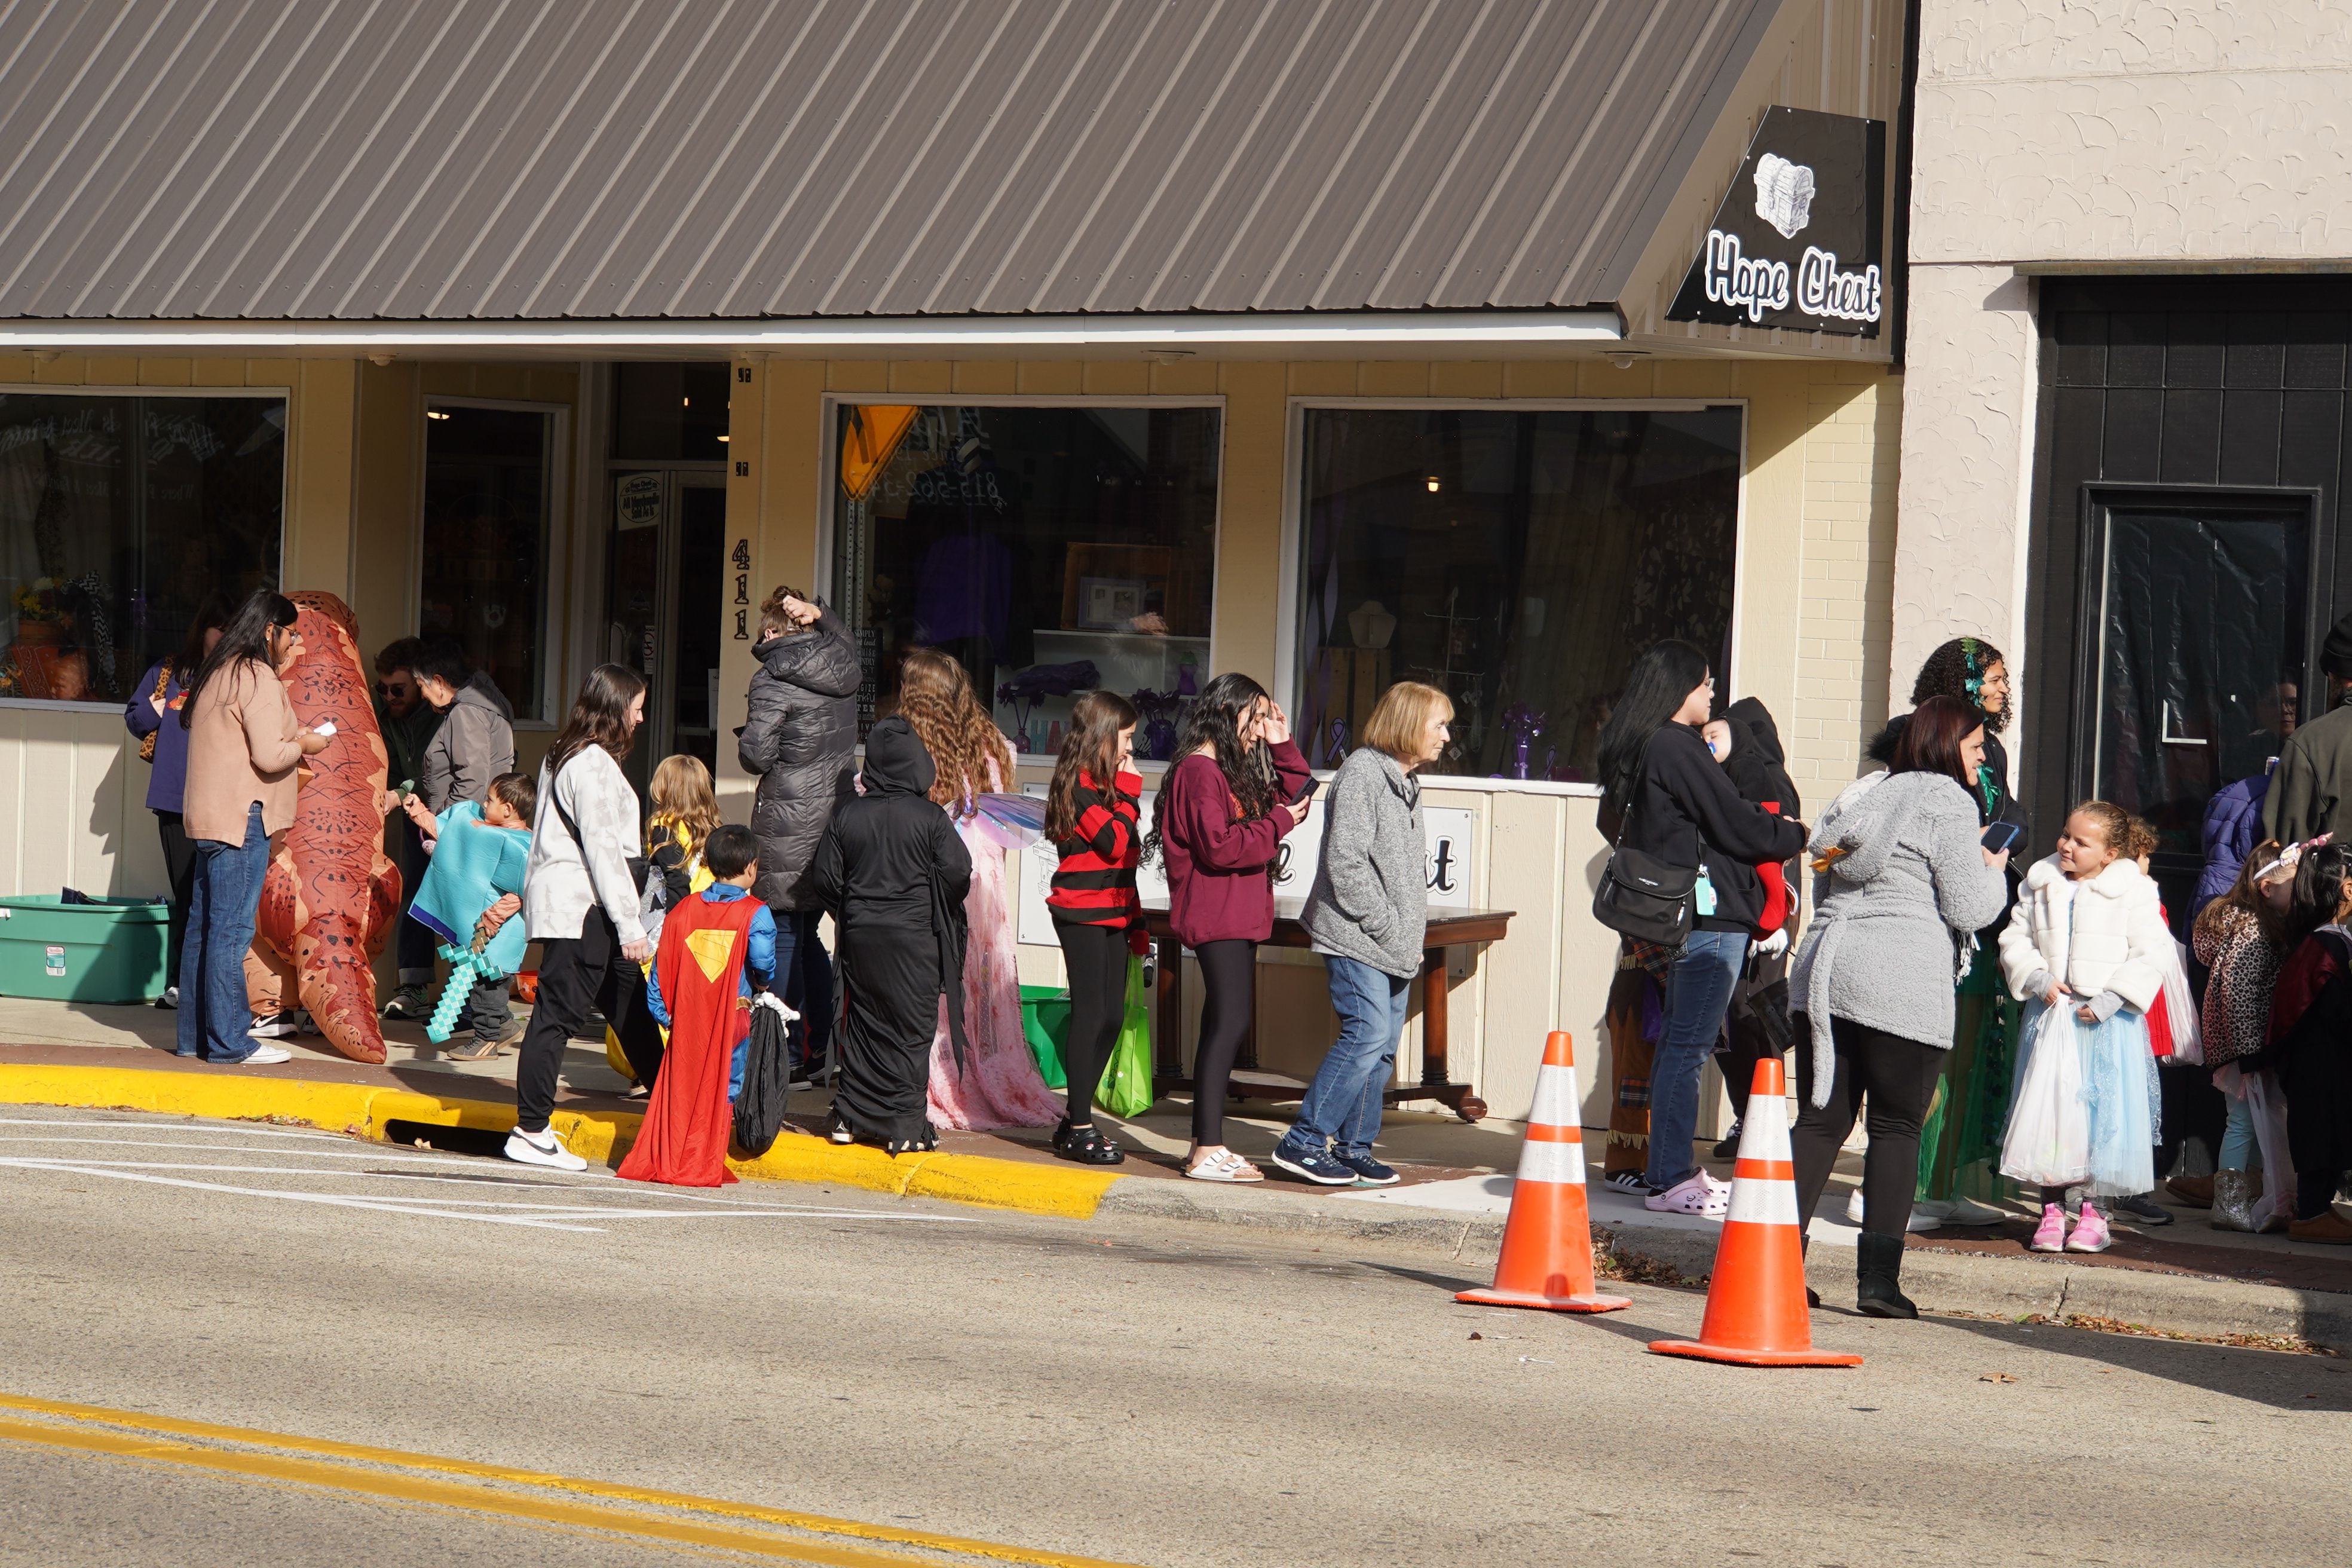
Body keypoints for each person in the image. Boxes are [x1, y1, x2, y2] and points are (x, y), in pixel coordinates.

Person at [1787, 696, 2009, 1315]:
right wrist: (1995, 868)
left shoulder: (1865, 795)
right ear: (1945, 744)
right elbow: (1969, 907)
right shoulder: (1948, 800)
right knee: (1896, 1125)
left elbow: (1827, 872)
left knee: (1819, 1121)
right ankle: (1878, 1283)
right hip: (1899, 977)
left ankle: (1775, 1266)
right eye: (1975, 744)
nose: (1983, 754)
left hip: (1824, 972)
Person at [1594, 640, 1805, 1216]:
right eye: (1706, 684)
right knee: (1687, 1047)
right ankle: (1670, 1179)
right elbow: (1735, 821)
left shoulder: (1644, 745)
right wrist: (1792, 834)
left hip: (1681, 917)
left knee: (1680, 1047)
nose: (1713, 694)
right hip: (1712, 917)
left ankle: (1670, 1173)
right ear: (1680, 687)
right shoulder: (1676, 745)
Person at [1873, 638, 2031, 1230]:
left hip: (1980, 910)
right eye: (1993, 677)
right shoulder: (1907, 735)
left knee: (1963, 1054)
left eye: (2003, 679)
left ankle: (1942, 1183)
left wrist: (2000, 833)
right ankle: (1900, 1188)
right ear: (1963, 681)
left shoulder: (1991, 749)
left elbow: (2013, 816)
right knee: (1925, 1056)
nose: (2003, 688)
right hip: (1928, 915)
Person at [1272, 681, 1453, 1187]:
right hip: (1356, 936)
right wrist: (1387, 926)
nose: (1446, 736)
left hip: (1392, 943)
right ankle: (1304, 1142)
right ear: (1409, 723)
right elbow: (1345, 864)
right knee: (1367, 1033)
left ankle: (1353, 1146)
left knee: (1384, 1045)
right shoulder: (1362, 775)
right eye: (1439, 724)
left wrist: (1402, 935)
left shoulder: (1405, 781)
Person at [1146, 672, 1312, 1183]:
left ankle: (1205, 1142)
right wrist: (1280, 823)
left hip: (1236, 912)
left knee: (1222, 1022)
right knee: (1230, 1022)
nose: (1260, 730)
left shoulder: (1225, 770)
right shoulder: (1199, 772)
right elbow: (1219, 846)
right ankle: (1206, 1150)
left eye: (1265, 719)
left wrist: (1283, 743)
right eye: (1255, 717)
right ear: (1226, 711)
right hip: (1216, 912)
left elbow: (1300, 789)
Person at [896, 646, 1062, 1131]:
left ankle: (937, 1076)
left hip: (929, 878)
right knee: (978, 981)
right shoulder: (990, 745)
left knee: (934, 983)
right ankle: (980, 1068)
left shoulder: (909, 747)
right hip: (983, 883)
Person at [1997, 801, 2172, 1255]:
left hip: (2106, 1026)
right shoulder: (2043, 881)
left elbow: (2152, 953)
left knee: (2102, 1119)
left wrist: (2113, 998)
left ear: (2111, 853)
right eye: (2065, 835)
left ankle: (2095, 1212)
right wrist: (2036, 977)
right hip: (2053, 1016)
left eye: (2081, 842)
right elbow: (2016, 937)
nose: (2066, 846)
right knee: (2052, 1113)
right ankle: (2052, 1208)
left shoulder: (2133, 891)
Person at [509, 664, 662, 1171]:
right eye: (637, 707)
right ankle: (531, 1130)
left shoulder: (565, 752)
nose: (641, 718)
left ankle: (672, 1109)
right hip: (586, 907)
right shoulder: (591, 763)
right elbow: (603, 850)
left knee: (630, 1007)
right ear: (617, 708)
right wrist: (631, 925)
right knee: (555, 1018)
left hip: (582, 905)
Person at [174, 589, 330, 1066]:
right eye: (291, 633)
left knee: (203, 931)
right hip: (244, 816)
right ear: (270, 631)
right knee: (231, 932)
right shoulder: (256, 674)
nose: (295, 643)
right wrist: (306, 741)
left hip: (209, 819)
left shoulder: (217, 671)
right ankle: (230, 1043)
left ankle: (195, 1040)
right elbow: (270, 754)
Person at [810, 715, 973, 1154]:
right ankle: (904, 1124)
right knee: (910, 1027)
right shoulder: (930, 817)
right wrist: (930, 900)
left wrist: (853, 909)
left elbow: (824, 877)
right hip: (915, 938)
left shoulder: (848, 815)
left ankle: (851, 1116)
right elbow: (959, 872)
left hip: (861, 936)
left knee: (863, 1021)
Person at [740, 585, 859, 1080]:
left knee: (786, 930)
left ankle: (783, 1050)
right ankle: (818, 1048)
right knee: (811, 931)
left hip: (788, 820)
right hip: (834, 817)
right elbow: (846, 641)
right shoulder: (844, 668)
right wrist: (823, 615)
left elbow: (755, 757)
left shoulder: (771, 679)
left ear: (772, 632)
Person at [623, 824, 779, 1187]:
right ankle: (704, 1157)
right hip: (733, 1016)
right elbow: (763, 960)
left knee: (684, 1082)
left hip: (688, 1017)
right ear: (753, 867)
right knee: (727, 1082)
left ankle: (675, 1154)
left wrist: (668, 1017)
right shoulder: (756, 913)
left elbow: (660, 974)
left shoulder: (685, 909)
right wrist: (763, 984)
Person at [1043, 690, 1145, 1166]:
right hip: (1081, 912)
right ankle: (1080, 1126)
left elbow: (1126, 862)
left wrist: (1137, 922)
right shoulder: (1078, 786)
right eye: (1126, 738)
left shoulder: (1109, 788)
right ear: (1103, 736)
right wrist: (1128, 794)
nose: (1130, 749)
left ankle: (1073, 1117)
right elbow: (1112, 841)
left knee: (1112, 1018)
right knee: (1090, 1014)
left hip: (1115, 911)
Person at [122, 593, 232, 1010]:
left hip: (224, 798)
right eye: (217, 626)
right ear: (202, 629)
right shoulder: (169, 671)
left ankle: (211, 986)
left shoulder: (240, 674)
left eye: (230, 627)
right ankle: (179, 984)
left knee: (220, 898)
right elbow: (136, 721)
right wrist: (154, 708)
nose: (223, 635)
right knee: (186, 892)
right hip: (173, 797)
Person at [1705, 697, 1802, 1158]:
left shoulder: (1766, 781)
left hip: (1765, 926)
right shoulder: (1724, 780)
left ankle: (1764, 1122)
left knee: (1755, 1014)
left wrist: (1774, 921)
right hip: (1738, 918)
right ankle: (1752, 1117)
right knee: (1729, 1020)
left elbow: (1777, 859)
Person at [2247, 840, 2352, 1243]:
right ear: (2347, 890)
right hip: (2319, 1062)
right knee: (2322, 1135)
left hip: (2319, 1060)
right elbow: (2336, 1009)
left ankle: (2318, 1209)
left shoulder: (2321, 939)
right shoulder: (2327, 944)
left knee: (2328, 1133)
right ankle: (2311, 1214)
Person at [2192, 838, 2297, 1230]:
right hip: (2246, 1048)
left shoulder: (2235, 923)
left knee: (2252, 1120)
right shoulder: (2255, 931)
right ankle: (2229, 1204)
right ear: (2268, 887)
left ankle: (2250, 1195)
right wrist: (2252, 1052)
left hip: (2240, 1045)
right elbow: (2240, 993)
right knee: (2242, 1122)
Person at [401, 772, 535, 1058]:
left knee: (488, 989)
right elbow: (451, 836)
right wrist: (420, 814)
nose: (483, 804)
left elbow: (520, 893)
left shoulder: (521, 846)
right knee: (481, 985)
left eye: (490, 800)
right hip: (479, 933)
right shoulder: (483, 827)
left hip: (497, 935)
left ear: (508, 809)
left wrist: (492, 920)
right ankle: (506, 1026)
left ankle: (487, 1039)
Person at [373, 636, 446, 1020]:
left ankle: (480, 993)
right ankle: (413, 987)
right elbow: (403, 775)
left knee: (460, 901)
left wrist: (401, 793)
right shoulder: (388, 719)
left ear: (419, 684)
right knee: (414, 895)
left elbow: (434, 775)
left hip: (451, 815)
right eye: (382, 688)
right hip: (414, 814)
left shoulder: (441, 715)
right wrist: (396, 794)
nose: (388, 695)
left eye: (397, 688)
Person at [2264, 611, 2352, 845]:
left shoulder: (2314, 742)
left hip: (2330, 880)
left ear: (2336, 676)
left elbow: (2286, 853)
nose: (2287, 711)